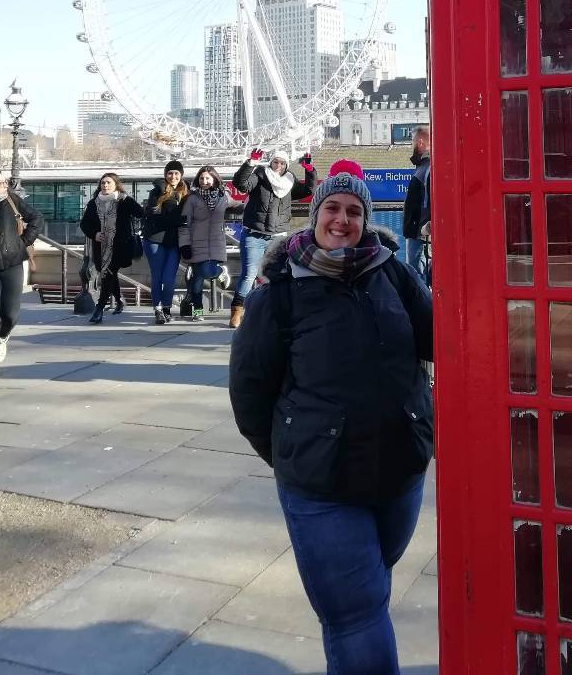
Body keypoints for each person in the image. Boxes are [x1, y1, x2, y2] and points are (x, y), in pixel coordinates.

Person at [229, 167, 433, 675]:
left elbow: (441, 339)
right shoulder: (278, 288)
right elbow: (250, 392)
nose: (342, 220)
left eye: (354, 212)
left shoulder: (392, 272)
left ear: (366, 220)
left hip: (399, 469)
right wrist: (292, 453)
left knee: (369, 590)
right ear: (314, 213)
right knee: (357, 614)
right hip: (322, 482)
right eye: (333, 209)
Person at [229, 147, 316, 329]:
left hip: (277, 235)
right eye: (275, 162)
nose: (278, 166)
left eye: (282, 163)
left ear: (286, 165)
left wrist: (309, 169)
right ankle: (237, 311)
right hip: (254, 233)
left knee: (273, 276)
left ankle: (265, 311)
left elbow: (309, 189)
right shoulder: (260, 175)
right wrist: (250, 163)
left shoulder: (289, 181)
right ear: (271, 162)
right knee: (249, 275)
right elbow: (241, 184)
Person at [80, 172, 144, 325]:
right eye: (103, 183)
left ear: (116, 185)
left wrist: (128, 199)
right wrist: (94, 233)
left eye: (108, 183)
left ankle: (99, 308)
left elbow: (140, 213)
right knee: (109, 274)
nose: (105, 185)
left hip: (120, 246)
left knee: (109, 273)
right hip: (100, 247)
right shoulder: (93, 203)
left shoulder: (123, 201)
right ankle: (119, 300)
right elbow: (84, 224)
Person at [0, 170, 43, 376]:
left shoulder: (12, 200)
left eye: (3, 182)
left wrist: (23, 243)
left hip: (12, 264)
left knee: (10, 314)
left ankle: (2, 338)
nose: (2, 186)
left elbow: (37, 218)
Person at [179, 165, 233, 321]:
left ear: (214, 179)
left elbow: (237, 204)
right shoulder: (192, 198)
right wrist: (185, 244)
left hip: (216, 242)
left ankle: (220, 272)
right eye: (201, 178)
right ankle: (197, 313)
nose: (204, 181)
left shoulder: (223, 196)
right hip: (196, 243)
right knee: (197, 282)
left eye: (207, 178)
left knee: (207, 272)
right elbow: (184, 223)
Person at [143, 159, 188, 324]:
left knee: (169, 279)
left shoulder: (186, 191)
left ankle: (167, 307)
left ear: (181, 175)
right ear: (165, 174)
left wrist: (176, 219)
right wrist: (179, 219)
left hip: (174, 241)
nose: (173, 176)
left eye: (176, 173)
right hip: (155, 240)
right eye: (170, 173)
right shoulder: (157, 191)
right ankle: (158, 310)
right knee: (157, 277)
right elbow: (156, 216)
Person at [402, 125, 431, 278]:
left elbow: (429, 203)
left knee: (414, 276)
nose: (411, 147)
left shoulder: (427, 169)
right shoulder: (424, 168)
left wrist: (424, 228)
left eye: (412, 143)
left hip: (420, 233)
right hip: (419, 232)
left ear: (420, 142)